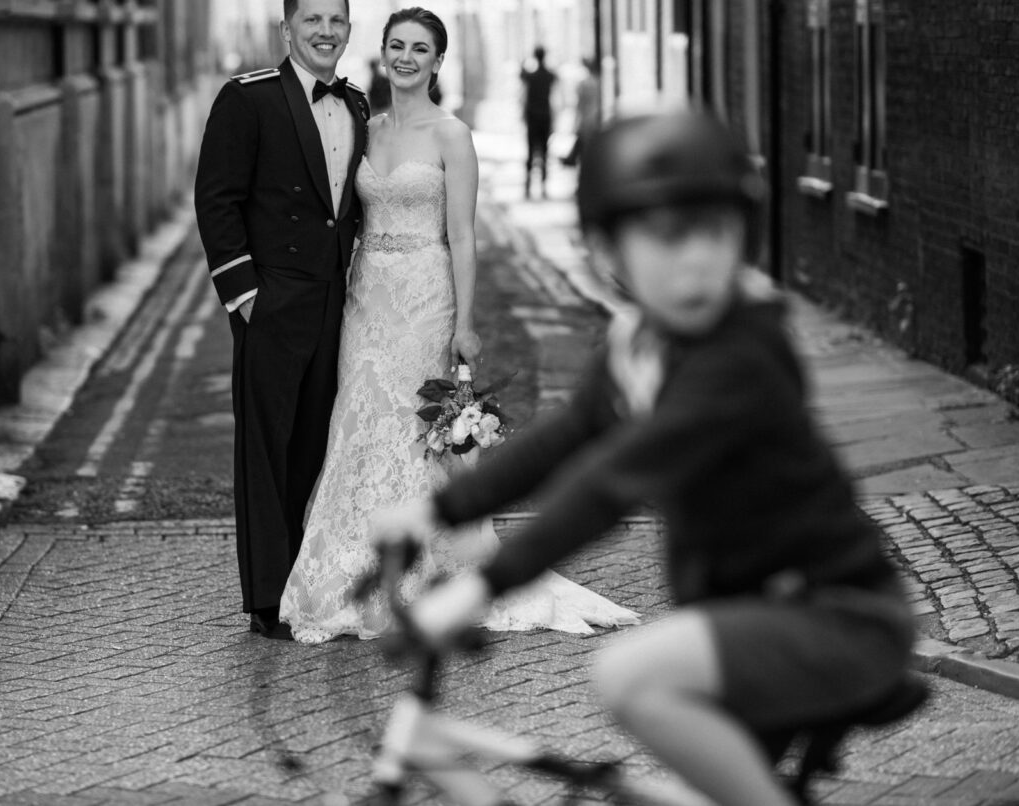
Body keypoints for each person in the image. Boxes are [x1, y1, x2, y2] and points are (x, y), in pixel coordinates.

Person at [372, 111, 916, 804]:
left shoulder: (741, 356)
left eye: (716, 234)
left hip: (833, 616)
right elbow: (567, 439)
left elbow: (617, 476)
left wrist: (483, 585)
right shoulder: (643, 342)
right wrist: (436, 508)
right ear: (607, 251)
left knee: (628, 674)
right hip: (746, 612)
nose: (695, 260)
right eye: (665, 238)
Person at [279, 7, 639, 645]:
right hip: (366, 298)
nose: (407, 57)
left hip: (426, 297)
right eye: (397, 45)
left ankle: (427, 574)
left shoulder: (451, 135)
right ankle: (347, 574)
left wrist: (464, 323)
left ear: (438, 61)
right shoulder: (367, 125)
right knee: (359, 422)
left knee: (420, 435)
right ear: (383, 52)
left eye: (421, 48)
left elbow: (464, 237)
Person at [194, 0, 371, 641]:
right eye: (312, 20)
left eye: (336, 21)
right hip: (271, 301)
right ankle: (268, 597)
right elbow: (217, 198)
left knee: (315, 447)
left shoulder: (355, 103)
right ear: (287, 30)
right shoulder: (249, 99)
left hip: (336, 299)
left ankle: (308, 582)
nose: (325, 31)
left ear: (348, 30)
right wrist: (244, 297)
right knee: (265, 449)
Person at [520, 45, 557, 199]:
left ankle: (528, 185)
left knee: (530, 151)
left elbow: (521, 75)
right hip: (545, 116)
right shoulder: (549, 76)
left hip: (532, 117)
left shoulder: (531, 76)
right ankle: (543, 186)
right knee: (544, 152)